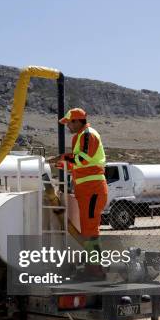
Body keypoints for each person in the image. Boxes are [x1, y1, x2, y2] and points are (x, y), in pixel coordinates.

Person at [49, 108, 108, 278]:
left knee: (90, 230)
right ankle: (94, 266)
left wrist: (63, 157)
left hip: (92, 190)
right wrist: (64, 164)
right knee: (89, 229)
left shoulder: (87, 134)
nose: (67, 126)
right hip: (88, 190)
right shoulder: (82, 136)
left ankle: (95, 269)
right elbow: (82, 163)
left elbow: (83, 158)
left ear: (77, 121)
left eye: (69, 122)